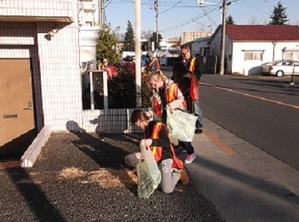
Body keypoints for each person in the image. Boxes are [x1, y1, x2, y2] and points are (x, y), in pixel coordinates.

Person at [124, 110, 190, 194]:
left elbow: (166, 142)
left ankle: (177, 173)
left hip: (164, 157)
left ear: (139, 120)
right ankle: (148, 170)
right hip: (151, 156)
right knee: (128, 159)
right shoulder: (146, 128)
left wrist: (151, 141)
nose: (137, 126)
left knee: (166, 189)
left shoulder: (158, 125)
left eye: (137, 124)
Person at [147, 70, 196, 164]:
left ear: (159, 80)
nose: (153, 87)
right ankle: (181, 147)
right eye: (151, 85)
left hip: (177, 113)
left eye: (153, 84)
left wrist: (171, 105)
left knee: (182, 134)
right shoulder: (158, 91)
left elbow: (181, 99)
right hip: (168, 113)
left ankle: (191, 152)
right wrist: (150, 113)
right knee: (172, 132)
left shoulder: (172, 86)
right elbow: (156, 105)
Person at [179, 44, 204, 134]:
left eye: (184, 53)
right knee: (185, 106)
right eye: (181, 53)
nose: (182, 55)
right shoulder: (180, 61)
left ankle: (199, 125)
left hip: (192, 86)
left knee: (195, 106)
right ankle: (188, 125)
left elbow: (199, 72)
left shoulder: (195, 61)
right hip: (182, 85)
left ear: (189, 52)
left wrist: (191, 76)